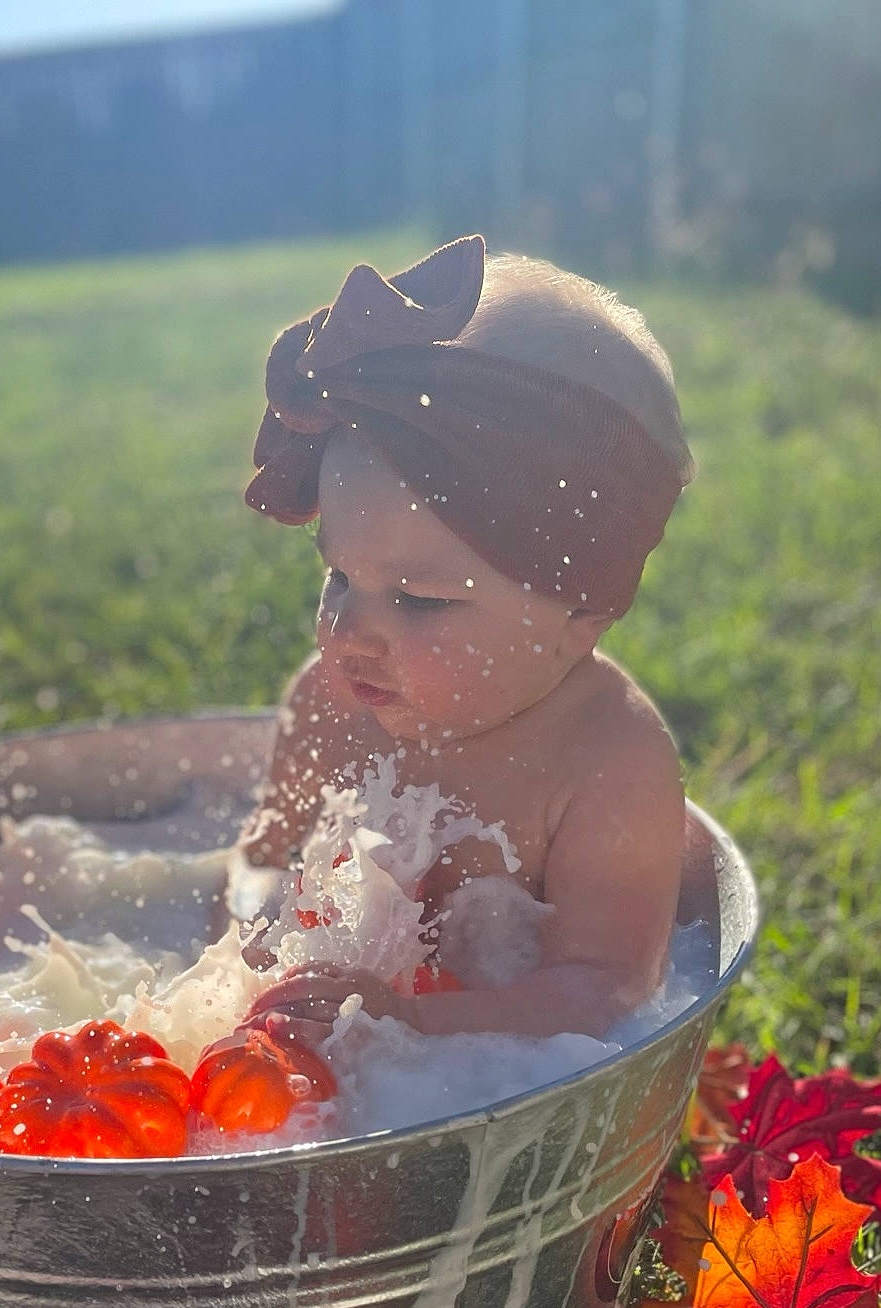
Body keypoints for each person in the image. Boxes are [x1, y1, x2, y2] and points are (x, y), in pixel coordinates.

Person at [237, 235, 695, 1042]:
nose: (347, 632)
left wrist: (412, 1024)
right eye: (338, 578)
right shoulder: (328, 705)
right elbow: (257, 868)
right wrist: (237, 965)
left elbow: (609, 995)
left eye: (417, 600)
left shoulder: (608, 767)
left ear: (583, 616)